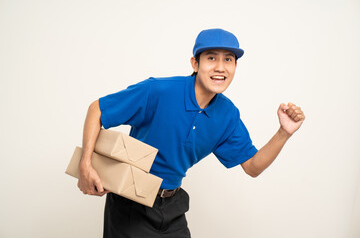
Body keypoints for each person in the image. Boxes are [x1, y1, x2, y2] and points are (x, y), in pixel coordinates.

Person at [77, 28, 305, 238]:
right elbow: (97, 109)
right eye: (211, 58)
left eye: (228, 59)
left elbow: (252, 166)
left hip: (173, 206)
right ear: (195, 63)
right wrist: (85, 166)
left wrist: (284, 132)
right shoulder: (158, 91)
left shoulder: (227, 115)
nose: (220, 67)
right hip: (131, 203)